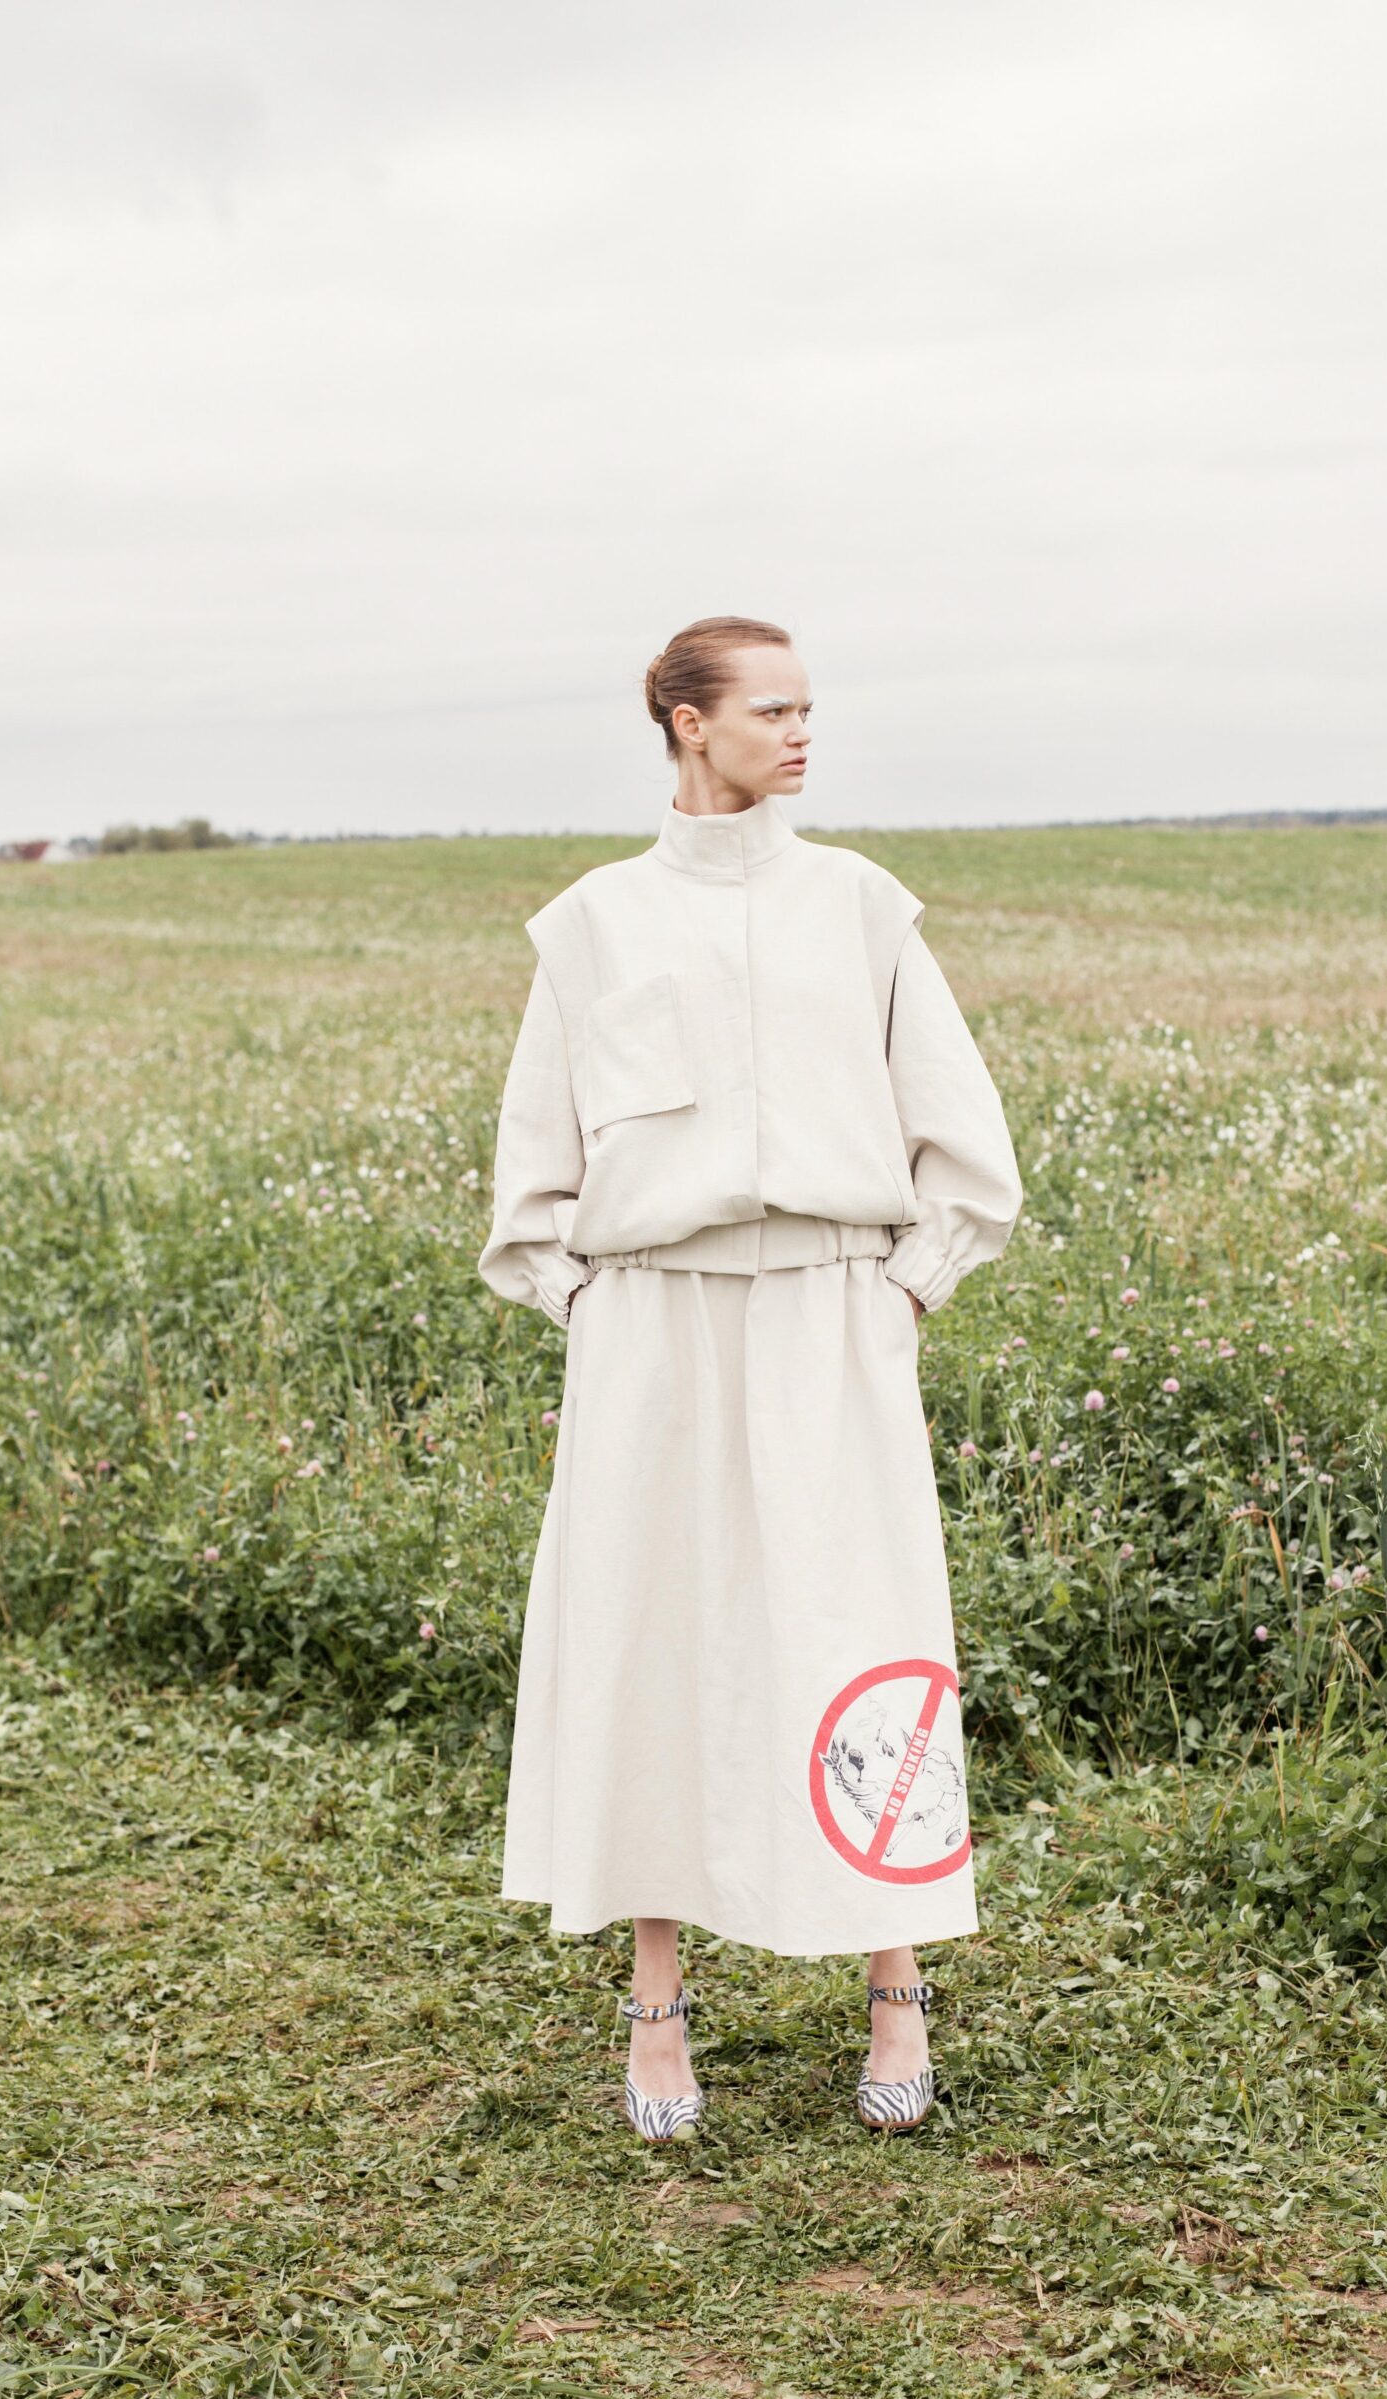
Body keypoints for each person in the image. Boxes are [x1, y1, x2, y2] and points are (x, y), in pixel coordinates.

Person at [478, 614, 1023, 2141]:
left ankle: (897, 1988)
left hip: (834, 1325)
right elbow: (534, 1185)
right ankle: (657, 2016)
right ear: (683, 722)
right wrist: (594, 1308)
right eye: (771, 710)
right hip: (652, 1332)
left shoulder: (860, 908)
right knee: (655, 1638)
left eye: (808, 709)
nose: (801, 734)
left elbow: (963, 1143)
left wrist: (904, 1294)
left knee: (863, 1628)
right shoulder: (588, 926)